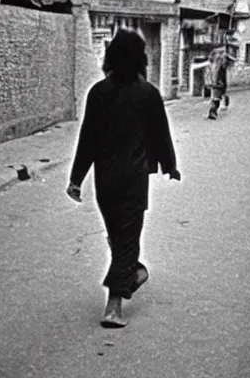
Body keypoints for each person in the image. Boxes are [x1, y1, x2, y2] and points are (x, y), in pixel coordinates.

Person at [66, 28, 181, 329]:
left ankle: (133, 272)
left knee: (119, 236)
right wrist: (170, 166)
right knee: (126, 238)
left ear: (111, 57)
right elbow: (160, 135)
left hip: (106, 182)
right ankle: (114, 306)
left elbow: (87, 140)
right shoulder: (149, 94)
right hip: (133, 179)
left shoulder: (99, 92)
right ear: (141, 59)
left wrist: (76, 179)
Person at [207, 48, 229, 120]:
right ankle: (212, 112)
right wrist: (219, 84)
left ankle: (213, 112)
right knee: (216, 99)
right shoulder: (219, 63)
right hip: (218, 83)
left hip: (217, 83)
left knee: (216, 98)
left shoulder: (214, 63)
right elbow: (218, 74)